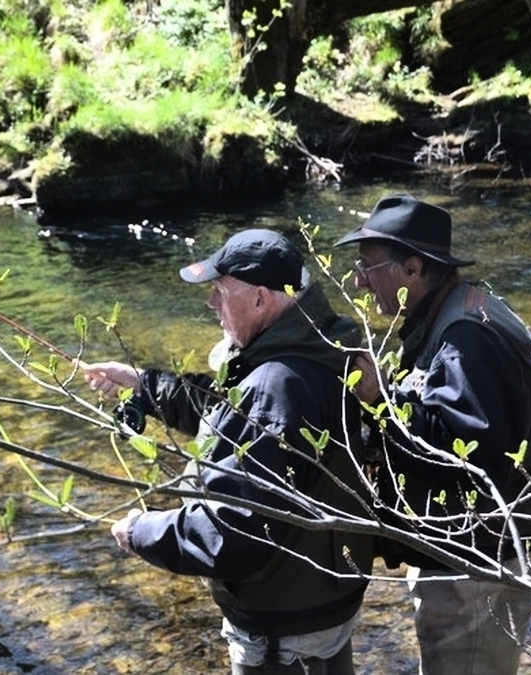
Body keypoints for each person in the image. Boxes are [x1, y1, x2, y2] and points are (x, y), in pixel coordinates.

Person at [80, 229, 376, 675]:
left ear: (260, 299)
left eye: (220, 293)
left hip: (283, 637)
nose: (211, 306)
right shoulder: (320, 350)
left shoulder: (277, 385)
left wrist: (141, 530)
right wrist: (145, 384)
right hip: (321, 605)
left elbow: (234, 537)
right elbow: (231, 410)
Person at [333, 194, 531, 675]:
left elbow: (467, 462)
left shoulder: (465, 342)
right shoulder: (463, 310)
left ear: (414, 269)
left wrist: (381, 401)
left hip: (479, 571)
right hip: (481, 558)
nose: (359, 281)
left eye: (368, 266)